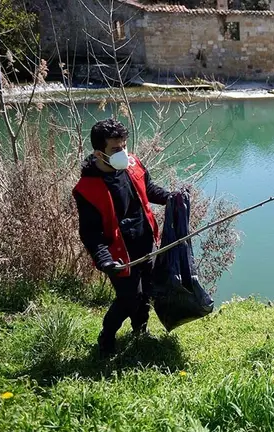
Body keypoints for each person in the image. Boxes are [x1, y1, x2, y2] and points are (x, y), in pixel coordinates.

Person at [73, 118, 171, 357]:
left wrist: (171, 198)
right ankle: (107, 337)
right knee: (129, 299)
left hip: (144, 242)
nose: (123, 153)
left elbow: (149, 189)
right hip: (119, 253)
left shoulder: (133, 165)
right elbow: (90, 233)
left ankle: (140, 331)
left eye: (124, 146)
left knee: (146, 292)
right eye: (116, 149)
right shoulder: (87, 189)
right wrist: (104, 260)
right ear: (99, 153)